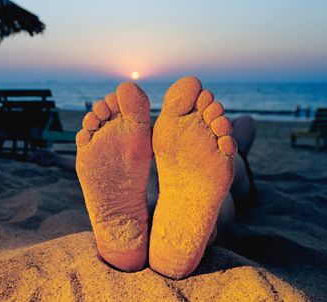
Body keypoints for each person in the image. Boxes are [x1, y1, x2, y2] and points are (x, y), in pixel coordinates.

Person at [31, 77, 256, 279]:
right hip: (201, 171)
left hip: (159, 173)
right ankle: (202, 232)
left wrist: (58, 159)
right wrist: (230, 133)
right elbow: (247, 123)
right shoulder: (217, 139)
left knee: (148, 186)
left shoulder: (154, 153)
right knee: (226, 176)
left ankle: (133, 229)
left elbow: (102, 169)